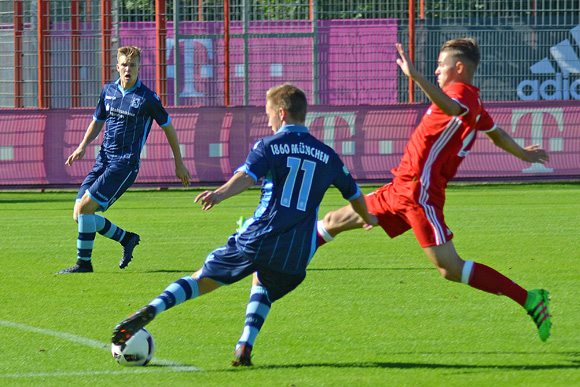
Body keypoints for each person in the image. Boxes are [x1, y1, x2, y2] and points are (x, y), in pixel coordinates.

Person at [111, 83, 378, 366]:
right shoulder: (328, 155)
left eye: (269, 114)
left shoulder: (269, 146)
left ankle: (153, 307)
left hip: (260, 236)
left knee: (202, 279)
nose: (268, 120)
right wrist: (367, 217)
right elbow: (355, 195)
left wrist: (219, 194)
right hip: (297, 252)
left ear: (282, 114)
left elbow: (247, 176)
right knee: (263, 283)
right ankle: (244, 344)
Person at [316, 39, 551, 341]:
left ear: (459, 68)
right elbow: (496, 133)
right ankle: (271, 250)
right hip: (400, 188)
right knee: (334, 221)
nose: (437, 70)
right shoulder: (472, 103)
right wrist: (524, 154)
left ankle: (531, 300)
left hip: (419, 195)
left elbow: (452, 108)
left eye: (441, 65)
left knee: (450, 269)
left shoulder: (460, 93)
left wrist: (416, 77)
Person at [58, 46, 191, 274]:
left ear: (139, 68)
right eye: (124, 64)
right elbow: (98, 120)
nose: (128, 69)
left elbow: (168, 127)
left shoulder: (147, 98)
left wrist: (179, 162)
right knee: (79, 215)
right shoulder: (108, 90)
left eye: (133, 65)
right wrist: (82, 147)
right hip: (104, 160)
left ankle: (84, 264)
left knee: (85, 209)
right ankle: (126, 238)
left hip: (124, 163)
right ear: (117, 67)